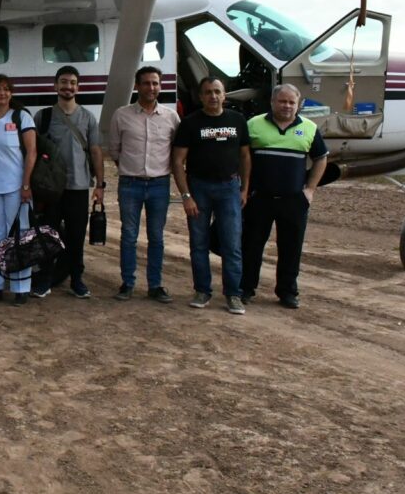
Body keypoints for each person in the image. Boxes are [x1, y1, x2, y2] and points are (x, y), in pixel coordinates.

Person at [241, 84, 328, 309]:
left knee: (291, 248)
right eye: (282, 101)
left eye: (292, 102)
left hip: (293, 201)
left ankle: (287, 292)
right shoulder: (253, 124)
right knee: (251, 246)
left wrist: (310, 190)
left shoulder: (309, 128)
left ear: (298, 105)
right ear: (272, 102)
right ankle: (246, 288)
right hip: (259, 199)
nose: (287, 106)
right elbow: (242, 157)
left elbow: (321, 158)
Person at [172, 76, 251, 315]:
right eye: (208, 92)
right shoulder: (190, 123)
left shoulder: (237, 121)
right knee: (199, 244)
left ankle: (233, 295)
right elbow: (177, 161)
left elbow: (245, 156)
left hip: (229, 189)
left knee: (232, 245)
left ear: (224, 95)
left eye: (217, 91)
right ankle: (202, 290)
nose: (213, 96)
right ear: (200, 96)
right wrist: (186, 195)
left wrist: (244, 188)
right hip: (199, 189)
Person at [29, 65, 105, 299]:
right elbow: (33, 150)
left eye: (72, 82)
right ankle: (45, 280)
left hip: (79, 187)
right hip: (51, 189)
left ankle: (77, 279)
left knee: (75, 236)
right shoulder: (43, 116)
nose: (67, 86)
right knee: (47, 235)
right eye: (63, 82)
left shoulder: (88, 117)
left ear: (77, 87)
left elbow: (95, 151)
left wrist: (100, 185)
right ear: (55, 85)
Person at [107, 66, 181, 303]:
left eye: (155, 83)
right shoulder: (121, 115)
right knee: (128, 236)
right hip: (130, 184)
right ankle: (127, 283)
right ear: (137, 86)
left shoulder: (171, 117)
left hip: (160, 185)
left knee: (156, 237)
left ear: (160, 86)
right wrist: (130, 170)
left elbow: (176, 151)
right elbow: (115, 151)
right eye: (147, 83)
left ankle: (155, 285)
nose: (151, 88)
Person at [0, 74, 37, 306]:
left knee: (20, 236)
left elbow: (31, 152)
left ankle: (21, 287)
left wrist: (26, 184)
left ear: (11, 93)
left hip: (17, 187)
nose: (1, 93)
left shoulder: (21, 117)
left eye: (6, 89)